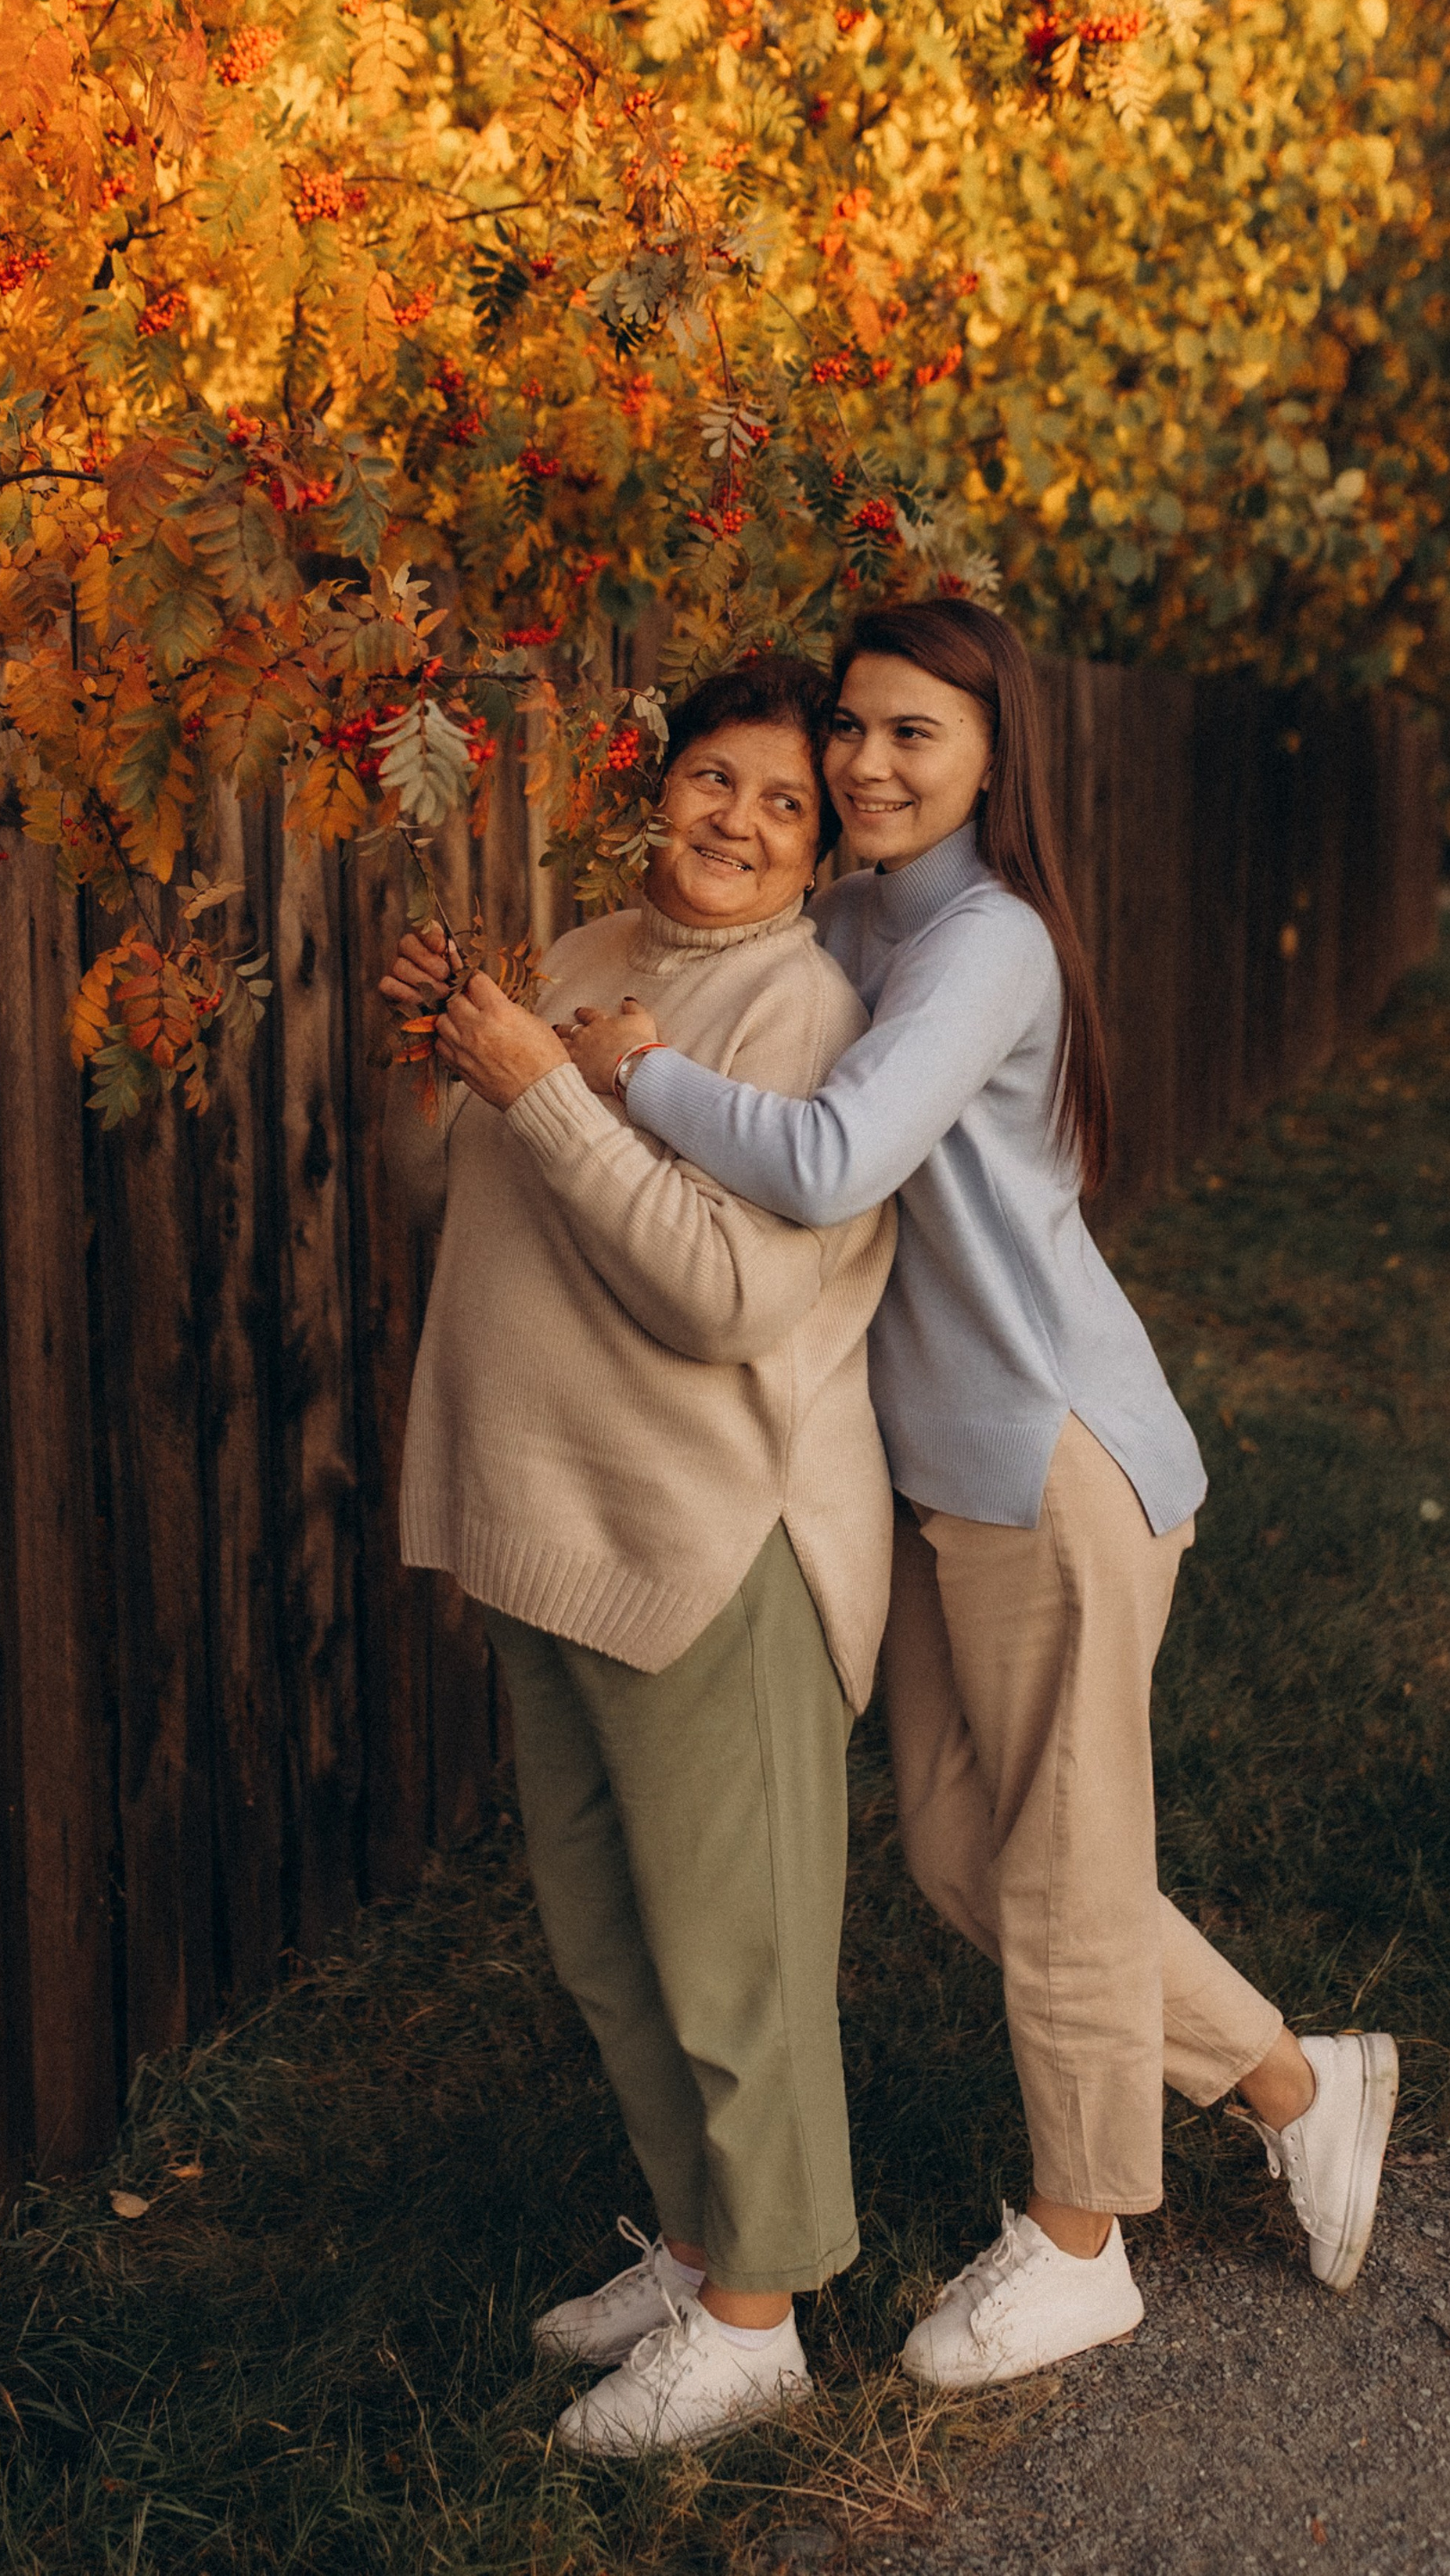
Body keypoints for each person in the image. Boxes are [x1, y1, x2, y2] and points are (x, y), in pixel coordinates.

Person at [555, 601, 1401, 2392]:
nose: (862, 764)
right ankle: (1293, 2081)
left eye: (909, 736)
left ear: (991, 756)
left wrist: (633, 1067)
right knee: (960, 1852)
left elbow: (832, 1153)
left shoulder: (985, 942)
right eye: (848, 730)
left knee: (1069, 1871)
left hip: (1047, 1459)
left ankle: (1082, 2240)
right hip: (930, 1473)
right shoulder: (853, 909)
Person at [380, 659, 897, 2455]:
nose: (737, 822)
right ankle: (696, 2251)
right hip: (554, 1520)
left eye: (783, 804)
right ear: (655, 785)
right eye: (712, 779)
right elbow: (494, 1205)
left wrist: (534, 1084)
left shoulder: (805, 1014)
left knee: (732, 1958)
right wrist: (446, 1064)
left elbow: (724, 1293)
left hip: (709, 1539)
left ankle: (758, 2327)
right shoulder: (590, 952)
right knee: (613, 1946)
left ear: (821, 851)